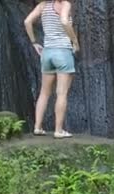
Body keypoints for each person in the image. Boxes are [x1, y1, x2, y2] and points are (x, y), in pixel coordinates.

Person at [24, 0, 80, 139]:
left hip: (47, 53)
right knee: (61, 93)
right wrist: (75, 41)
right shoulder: (66, 4)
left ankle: (37, 127)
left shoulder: (43, 5)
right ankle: (58, 130)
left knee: (44, 93)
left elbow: (27, 22)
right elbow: (64, 22)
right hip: (62, 52)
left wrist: (34, 42)